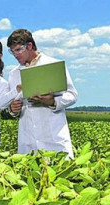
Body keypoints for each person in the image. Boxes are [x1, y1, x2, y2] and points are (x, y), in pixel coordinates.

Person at [7, 29, 78, 158]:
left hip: (53, 136)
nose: (15, 55)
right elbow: (12, 103)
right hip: (28, 138)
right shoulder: (14, 73)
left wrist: (52, 101)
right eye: (12, 51)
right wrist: (13, 109)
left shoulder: (53, 65)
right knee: (30, 174)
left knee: (60, 172)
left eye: (18, 50)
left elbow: (72, 95)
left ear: (29, 46)